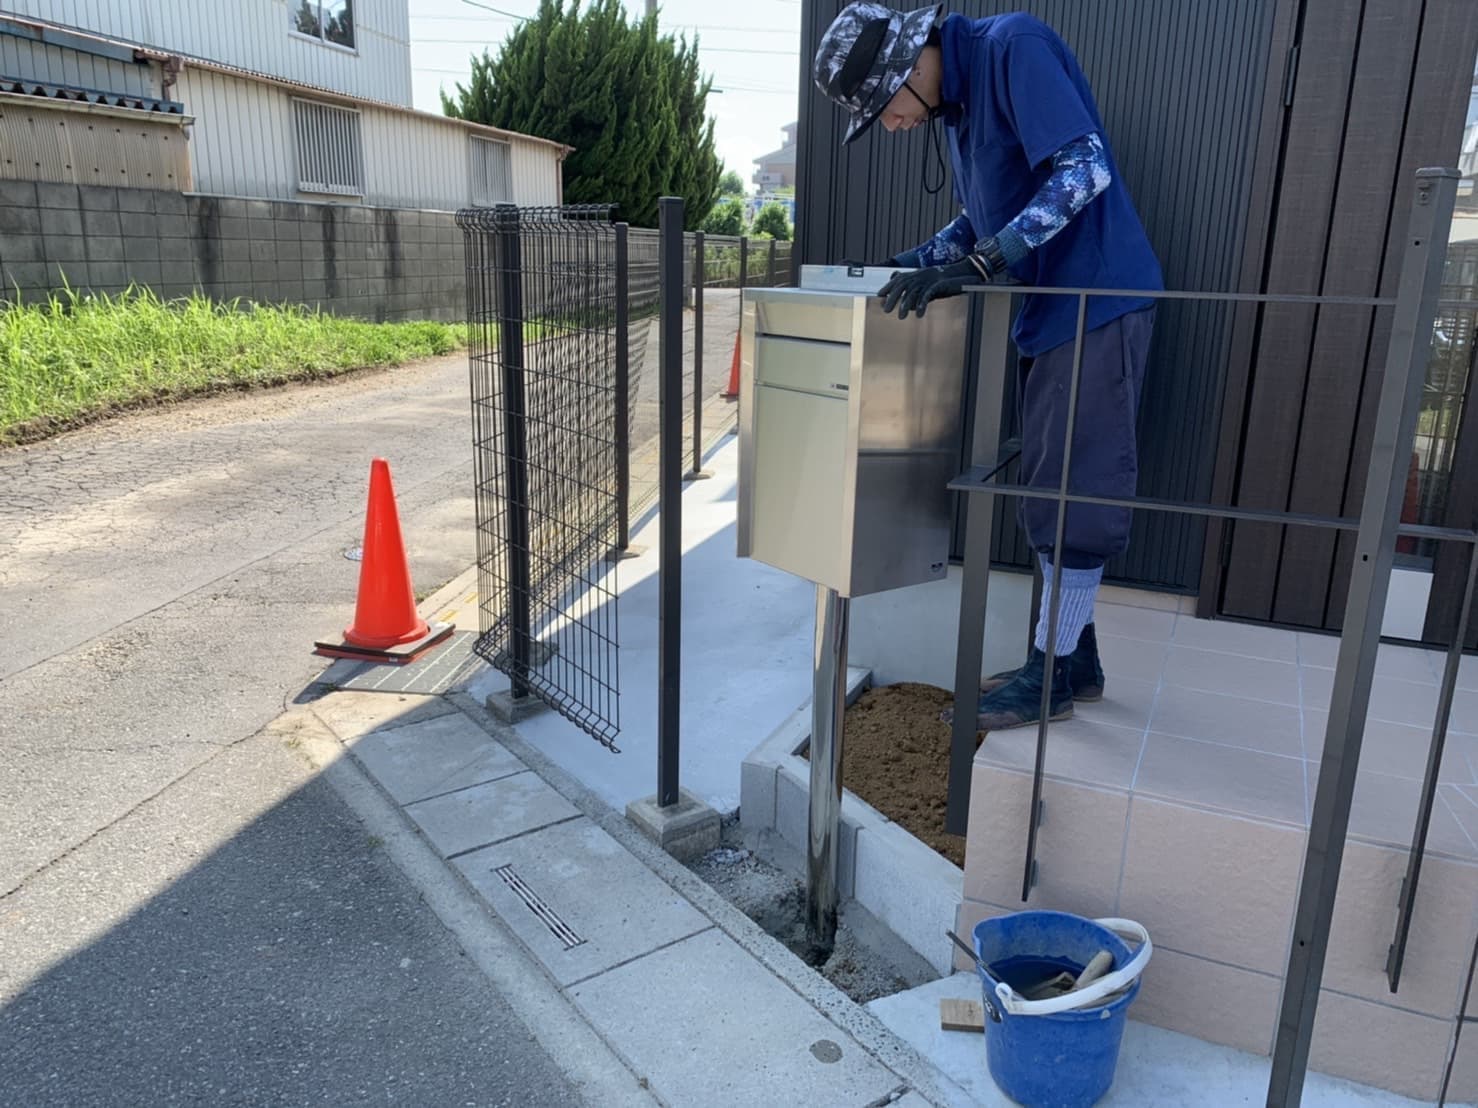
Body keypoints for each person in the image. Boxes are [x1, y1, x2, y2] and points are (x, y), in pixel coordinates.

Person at [812, 3, 1163, 729]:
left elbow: (1085, 169)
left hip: (1096, 300)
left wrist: (980, 264)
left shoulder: (1013, 49)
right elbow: (982, 218)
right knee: (1050, 484)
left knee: (1075, 489)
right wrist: (908, 264)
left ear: (914, 63)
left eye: (886, 108)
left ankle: (1049, 678)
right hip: (1051, 310)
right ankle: (1076, 661)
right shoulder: (960, 106)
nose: (892, 126)